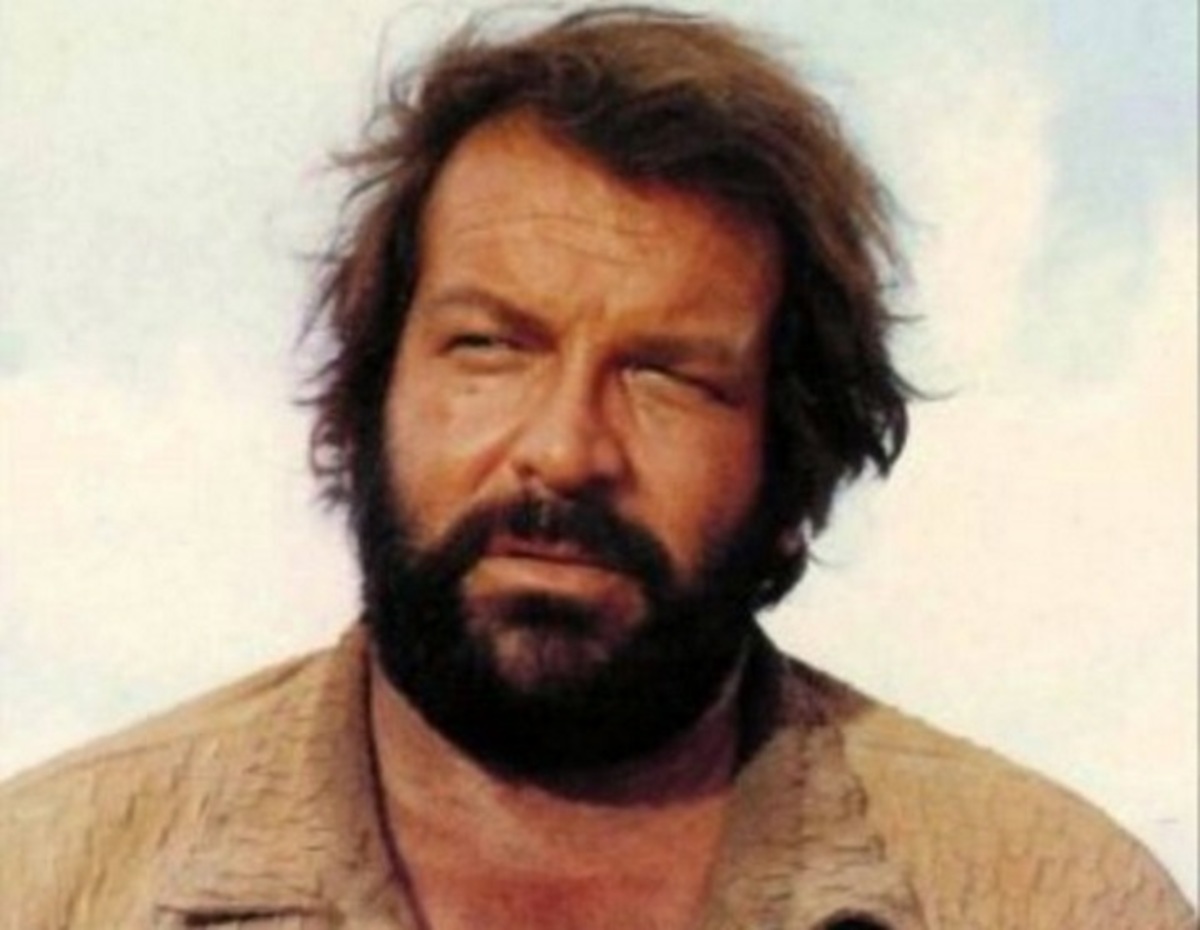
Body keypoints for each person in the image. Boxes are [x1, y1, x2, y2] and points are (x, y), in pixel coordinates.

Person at [0, 7, 1192, 930]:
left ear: (794, 469)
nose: (566, 449)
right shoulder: (48, 882)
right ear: (362, 401)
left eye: (668, 377)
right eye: (490, 347)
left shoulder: (1048, 898)